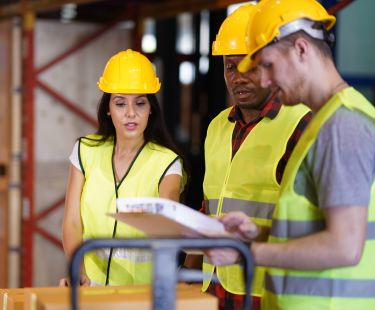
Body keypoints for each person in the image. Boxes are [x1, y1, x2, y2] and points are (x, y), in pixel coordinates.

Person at [207, 0, 375, 309]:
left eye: (267, 65)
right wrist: (255, 232)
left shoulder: (342, 126)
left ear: (301, 49)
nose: (265, 80)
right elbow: (317, 227)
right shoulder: (326, 120)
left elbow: (343, 245)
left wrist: (246, 253)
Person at [200, 4, 311, 309]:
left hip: (266, 291)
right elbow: (209, 204)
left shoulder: (300, 124)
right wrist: (188, 271)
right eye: (229, 66)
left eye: (248, 66)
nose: (237, 78)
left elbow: (308, 224)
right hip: (213, 285)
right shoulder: (217, 127)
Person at [60, 49, 187, 286]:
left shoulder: (168, 163)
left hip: (143, 293)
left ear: (151, 109)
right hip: (90, 288)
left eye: (140, 103)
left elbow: (169, 228)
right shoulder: (84, 151)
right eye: (120, 103)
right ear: (108, 108)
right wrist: (77, 271)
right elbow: (72, 222)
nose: (131, 113)